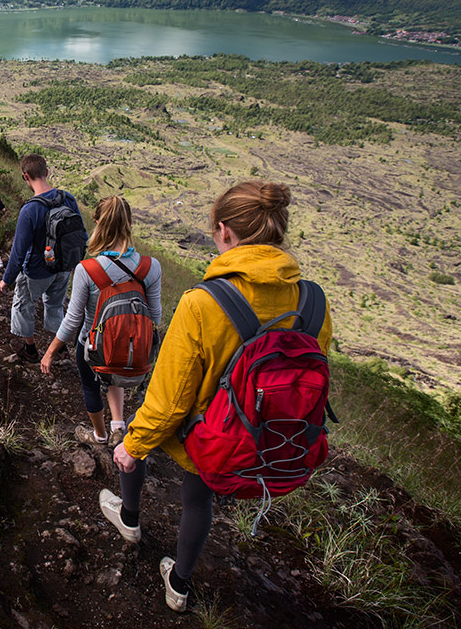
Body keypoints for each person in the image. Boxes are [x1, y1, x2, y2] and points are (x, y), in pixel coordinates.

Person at [104, 180, 332, 613]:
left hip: (208, 437)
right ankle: (180, 584)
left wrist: (132, 448)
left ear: (225, 232)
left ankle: (129, 519)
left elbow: (169, 399)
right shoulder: (314, 301)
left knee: (141, 435)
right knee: (198, 498)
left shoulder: (202, 304)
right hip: (269, 439)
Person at [40, 195, 161, 448]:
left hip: (91, 346)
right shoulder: (151, 267)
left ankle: (100, 435)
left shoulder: (88, 268)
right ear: (129, 223)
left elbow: (73, 320)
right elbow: (156, 317)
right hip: (130, 348)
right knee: (115, 371)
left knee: (91, 386)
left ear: (97, 222)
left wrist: (50, 352)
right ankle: (119, 426)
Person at [0, 154, 85, 363]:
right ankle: (60, 349)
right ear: (47, 172)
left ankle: (29, 349)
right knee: (55, 305)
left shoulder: (30, 210)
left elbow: (19, 252)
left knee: (23, 304)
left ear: (25, 176)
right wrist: (75, 264)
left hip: (37, 271)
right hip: (64, 268)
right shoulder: (68, 199)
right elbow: (81, 235)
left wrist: (7, 279)